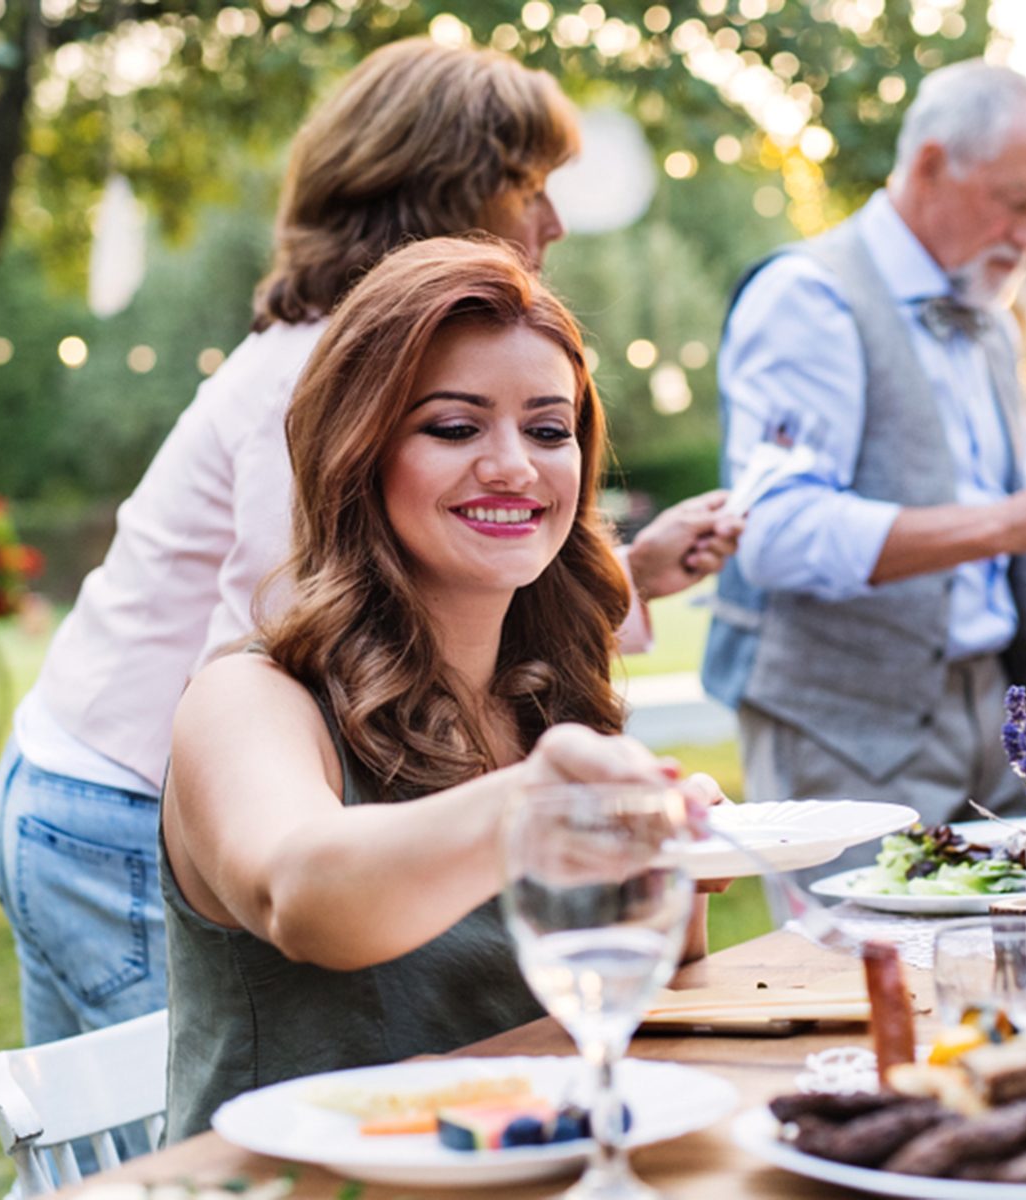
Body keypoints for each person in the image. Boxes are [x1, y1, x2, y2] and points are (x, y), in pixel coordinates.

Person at [0, 38, 741, 1053]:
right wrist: (533, 799)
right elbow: (289, 640)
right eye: (528, 186)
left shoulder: (526, 681)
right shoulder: (312, 381)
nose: (553, 222)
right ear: (447, 187)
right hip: (125, 793)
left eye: (550, 429)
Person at [161, 236, 716, 1139]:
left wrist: (669, 859)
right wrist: (537, 804)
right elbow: (301, 896)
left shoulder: (550, 699)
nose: (514, 466)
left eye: (548, 429)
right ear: (359, 452)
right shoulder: (250, 698)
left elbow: (641, 990)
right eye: (455, 428)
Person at [702, 59, 1026, 849]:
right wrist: (1012, 519)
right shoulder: (808, 297)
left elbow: (1000, 539)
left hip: (995, 722)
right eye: (1014, 204)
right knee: (855, 973)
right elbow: (776, 534)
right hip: (847, 737)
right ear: (929, 166)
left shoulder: (989, 320)